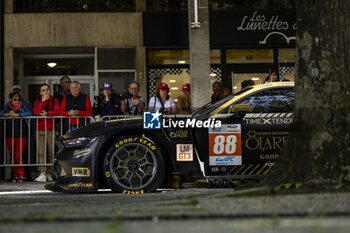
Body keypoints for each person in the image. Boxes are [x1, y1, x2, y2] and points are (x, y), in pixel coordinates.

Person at [0, 92, 32, 182]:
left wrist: (18, 115)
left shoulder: (22, 107)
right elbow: (1, 112)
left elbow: (29, 112)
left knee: (19, 155)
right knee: (13, 155)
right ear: (10, 100)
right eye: (15, 99)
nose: (17, 101)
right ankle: (14, 175)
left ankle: (21, 174)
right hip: (10, 134)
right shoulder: (7, 107)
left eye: (18, 99)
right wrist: (6, 114)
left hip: (21, 134)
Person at [33, 84, 60, 182]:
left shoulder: (54, 100)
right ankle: (42, 172)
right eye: (43, 90)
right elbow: (36, 112)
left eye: (47, 90)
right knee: (41, 152)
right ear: (40, 93)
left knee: (51, 152)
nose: (46, 92)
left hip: (51, 128)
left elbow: (57, 112)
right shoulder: (38, 101)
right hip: (40, 129)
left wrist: (48, 114)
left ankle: (49, 172)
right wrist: (42, 102)